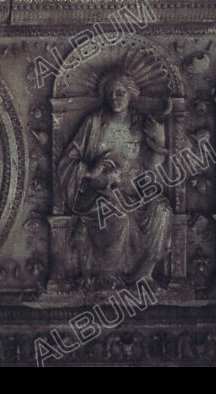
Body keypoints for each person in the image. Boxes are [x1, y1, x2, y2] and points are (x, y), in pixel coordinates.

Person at [57, 68, 172, 287]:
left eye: (120, 93)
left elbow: (153, 167)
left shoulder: (141, 123)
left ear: (131, 94)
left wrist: (160, 142)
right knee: (117, 215)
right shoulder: (95, 122)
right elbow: (67, 162)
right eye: (110, 93)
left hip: (136, 195)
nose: (115, 98)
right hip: (101, 195)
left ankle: (144, 274)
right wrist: (91, 172)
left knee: (163, 211)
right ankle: (107, 276)